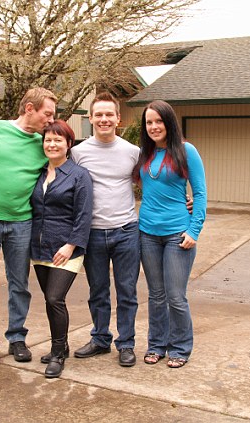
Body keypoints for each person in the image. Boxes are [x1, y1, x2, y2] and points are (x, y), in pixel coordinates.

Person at [0, 87, 58, 364]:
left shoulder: (42, 144)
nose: (51, 120)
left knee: (19, 284)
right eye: (48, 113)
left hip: (21, 222)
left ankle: (17, 338)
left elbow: (64, 173)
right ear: (29, 108)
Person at [70, 92, 141, 367]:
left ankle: (126, 343)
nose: (104, 119)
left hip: (126, 231)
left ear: (118, 118)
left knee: (127, 291)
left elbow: (153, 183)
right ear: (90, 118)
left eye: (109, 114)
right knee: (97, 290)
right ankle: (100, 339)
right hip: (93, 233)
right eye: (98, 114)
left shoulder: (132, 152)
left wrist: (187, 199)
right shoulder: (78, 152)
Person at [137, 100, 207, 369]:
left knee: (176, 296)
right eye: (149, 122)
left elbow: (199, 193)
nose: (154, 126)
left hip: (178, 234)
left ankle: (180, 347)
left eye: (159, 121)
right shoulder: (145, 153)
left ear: (169, 122)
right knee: (156, 295)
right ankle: (156, 345)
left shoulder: (186, 151)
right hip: (147, 233)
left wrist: (194, 229)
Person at [30, 120, 93, 378]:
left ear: (69, 144)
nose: (52, 144)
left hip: (66, 248)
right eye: (48, 140)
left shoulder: (79, 175)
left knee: (55, 298)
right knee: (50, 300)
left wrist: (71, 245)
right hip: (39, 248)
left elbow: (84, 214)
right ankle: (62, 344)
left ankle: (57, 354)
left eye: (58, 140)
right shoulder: (40, 173)